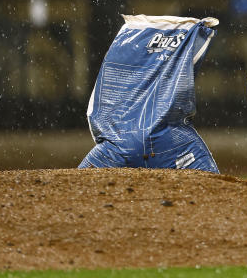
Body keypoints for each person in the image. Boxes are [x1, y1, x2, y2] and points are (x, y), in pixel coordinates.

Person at [80, 14, 220, 172]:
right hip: (171, 143)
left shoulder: (126, 39)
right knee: (218, 189)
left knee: (74, 191)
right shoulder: (130, 36)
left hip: (117, 148)